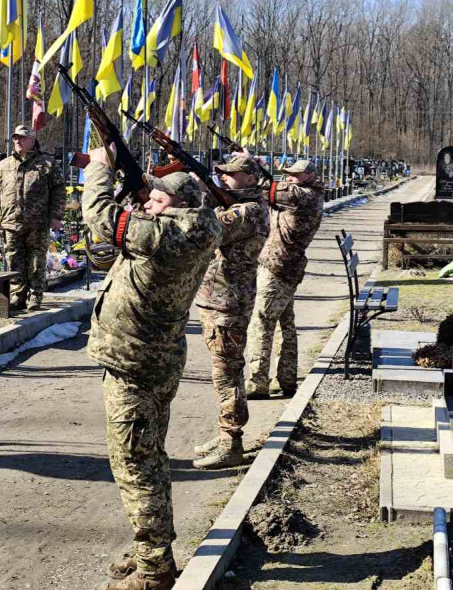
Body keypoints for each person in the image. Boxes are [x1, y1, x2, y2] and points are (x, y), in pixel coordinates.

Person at [82, 147, 222, 590]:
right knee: (151, 458)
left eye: (158, 200)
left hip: (134, 363)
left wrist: (100, 168)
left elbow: (100, 215)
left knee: (135, 465)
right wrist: (144, 190)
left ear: (179, 206)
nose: (148, 204)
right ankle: (153, 548)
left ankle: (154, 570)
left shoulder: (164, 235)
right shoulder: (199, 226)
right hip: (155, 359)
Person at [191, 154, 269, 470]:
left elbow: (206, 230)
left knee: (228, 374)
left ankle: (231, 443)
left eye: (231, 173)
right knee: (225, 371)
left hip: (227, 302)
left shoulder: (248, 211)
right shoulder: (239, 205)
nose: (224, 177)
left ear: (250, 178)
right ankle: (226, 434)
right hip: (220, 298)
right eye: (222, 173)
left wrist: (201, 194)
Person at [245, 159, 324, 399]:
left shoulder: (304, 195)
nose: (290, 177)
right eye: (288, 173)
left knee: (261, 322)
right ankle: (287, 379)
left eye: (296, 174)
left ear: (310, 176)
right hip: (285, 266)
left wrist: (252, 164)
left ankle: (257, 382)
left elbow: (268, 188)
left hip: (278, 267)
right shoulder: (304, 193)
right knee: (284, 323)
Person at [0, 125, 65, 311]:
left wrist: (56, 216)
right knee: (14, 260)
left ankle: (35, 296)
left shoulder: (47, 164)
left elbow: (59, 191)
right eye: (15, 138)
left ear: (32, 140)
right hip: (11, 222)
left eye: (22, 138)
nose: (18, 141)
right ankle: (18, 295)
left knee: (37, 261)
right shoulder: (4, 165)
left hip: (37, 223)